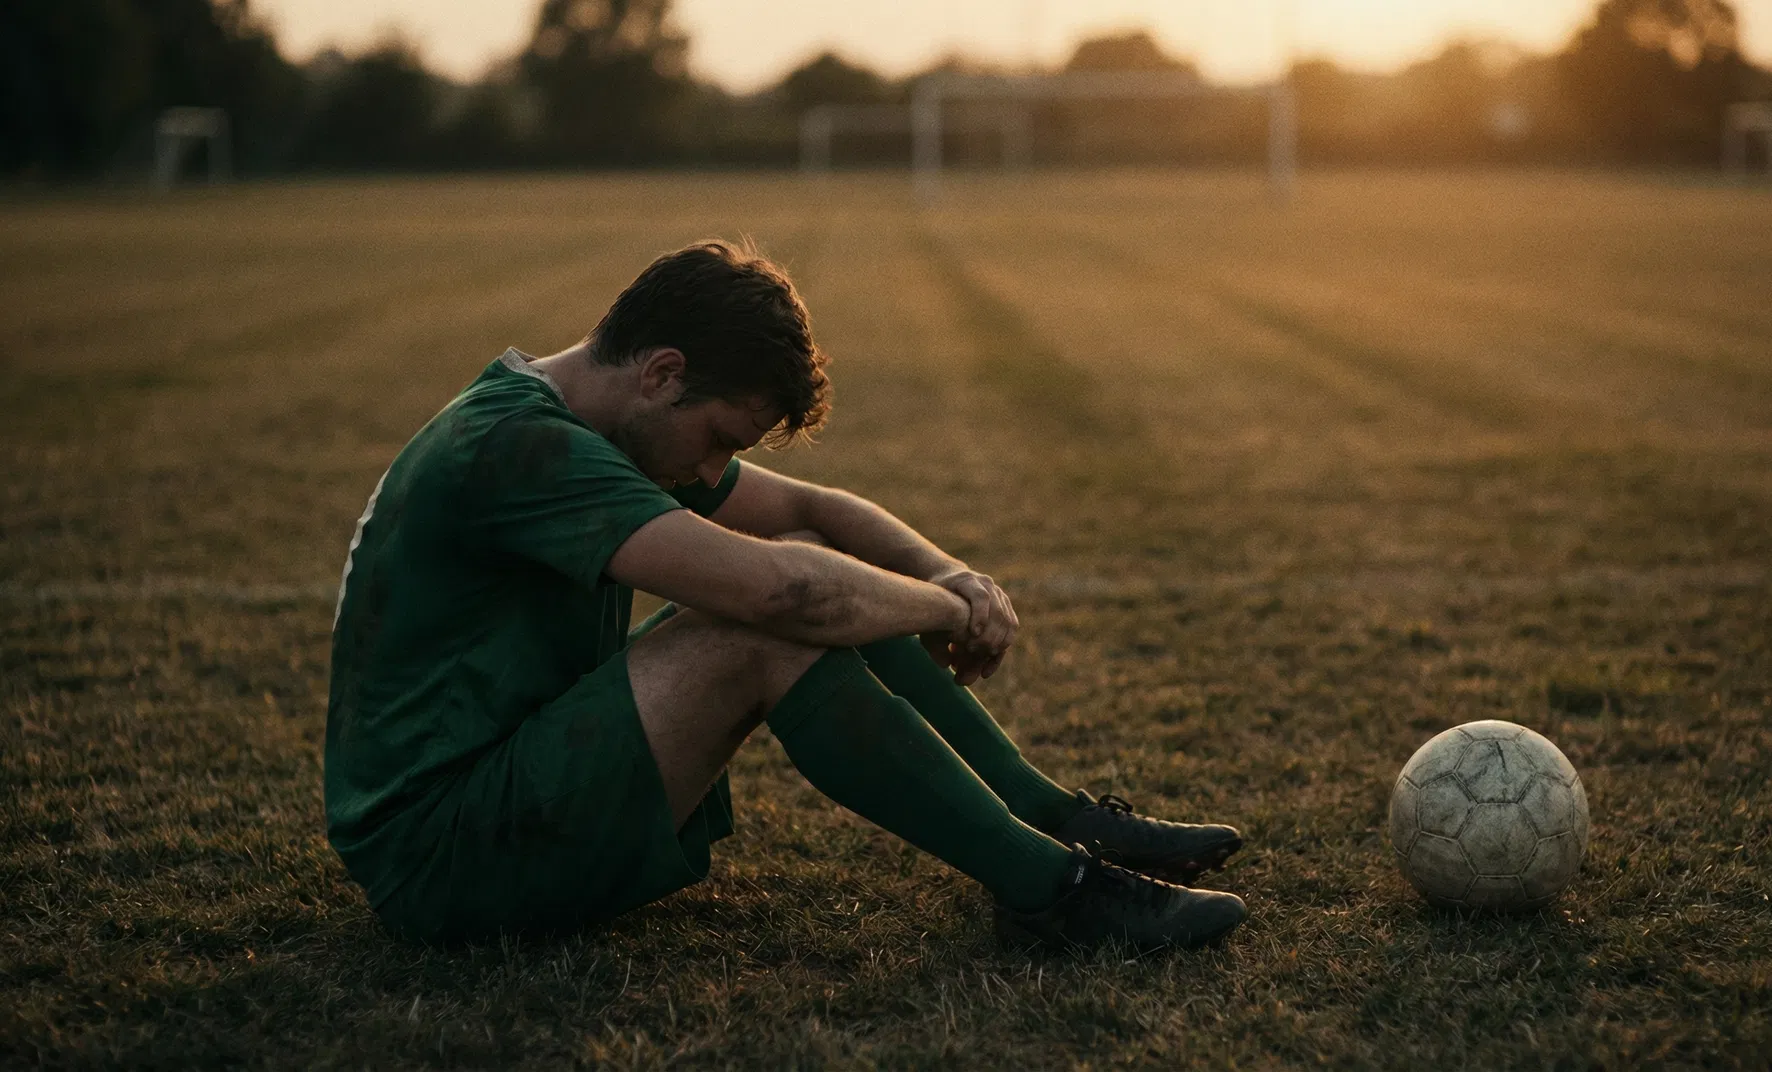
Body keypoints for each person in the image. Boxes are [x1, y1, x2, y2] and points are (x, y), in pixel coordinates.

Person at [325, 240, 1248, 950]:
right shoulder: (522, 450)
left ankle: (1051, 818)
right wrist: (947, 612)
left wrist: (950, 574)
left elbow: (813, 510)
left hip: (499, 786)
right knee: (768, 625)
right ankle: (1057, 893)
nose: (716, 469)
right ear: (662, 372)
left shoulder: (585, 419)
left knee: (802, 554)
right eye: (722, 437)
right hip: (442, 856)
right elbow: (791, 597)